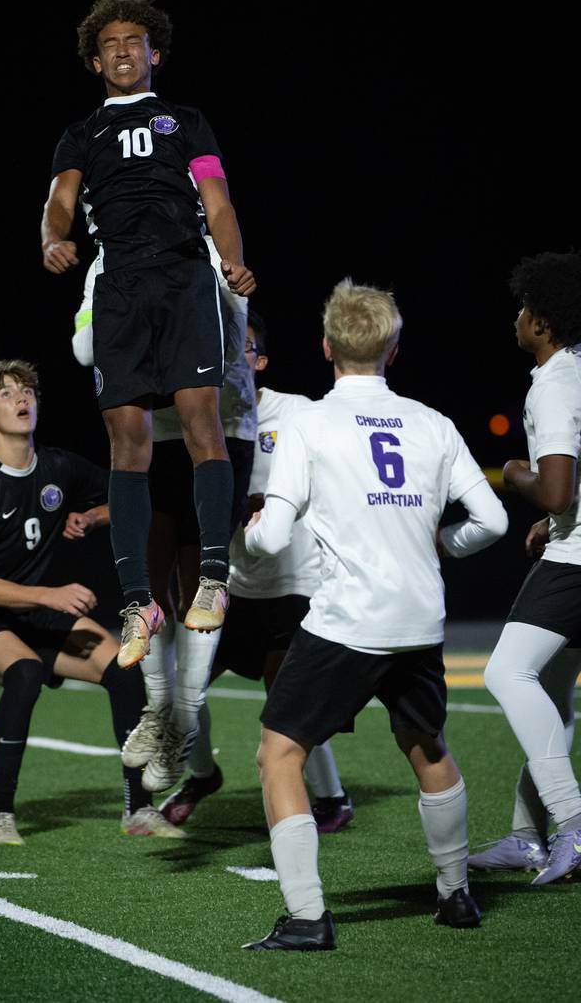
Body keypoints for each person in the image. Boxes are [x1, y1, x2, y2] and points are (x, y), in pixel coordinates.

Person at [241, 279, 508, 951]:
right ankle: (456, 898)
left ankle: (306, 917)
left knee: (278, 755)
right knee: (427, 749)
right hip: (419, 620)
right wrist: (448, 543)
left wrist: (236, 541)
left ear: (326, 346)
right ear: (393, 349)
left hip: (347, 620)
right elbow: (495, 520)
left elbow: (270, 539)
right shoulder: (431, 423)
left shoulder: (308, 424)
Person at [42, 0, 256, 674]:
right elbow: (59, 201)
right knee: (126, 443)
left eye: (135, 40)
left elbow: (217, 199)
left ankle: (215, 581)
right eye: (110, 43)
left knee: (201, 425)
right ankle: (138, 601)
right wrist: (53, 237)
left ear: (154, 53)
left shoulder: (186, 122)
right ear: (95, 59)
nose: (124, 50)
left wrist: (232, 258)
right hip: (121, 288)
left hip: (186, 278)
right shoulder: (80, 135)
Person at [0, 355, 184, 842]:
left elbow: (131, 498)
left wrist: (92, 517)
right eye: (6, 393)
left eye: (27, 389)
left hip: (39, 611)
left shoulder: (59, 467)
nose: (21, 398)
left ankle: (138, 810)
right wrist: (50, 594)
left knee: (123, 668)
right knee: (25, 672)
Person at [71, 237, 257, 790]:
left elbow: (224, 354)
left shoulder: (208, 248)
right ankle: (159, 708)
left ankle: (183, 720)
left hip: (218, 433)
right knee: (148, 590)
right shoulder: (108, 256)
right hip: (154, 442)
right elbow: (85, 349)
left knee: (199, 585)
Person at [161, 310, 352, 831]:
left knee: (284, 700)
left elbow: (341, 472)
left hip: (293, 583)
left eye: (239, 347)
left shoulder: (299, 413)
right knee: (186, 685)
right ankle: (202, 775)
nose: (227, 357)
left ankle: (333, 799)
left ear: (260, 360)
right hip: (234, 586)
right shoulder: (196, 420)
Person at [471, 251, 581, 885]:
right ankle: (527, 836)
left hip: (575, 562)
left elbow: (558, 488)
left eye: (521, 309)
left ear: (541, 320)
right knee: (555, 694)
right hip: (572, 543)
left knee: (507, 673)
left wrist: (517, 477)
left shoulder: (555, 383)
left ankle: (571, 822)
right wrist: (556, 516)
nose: (515, 318)